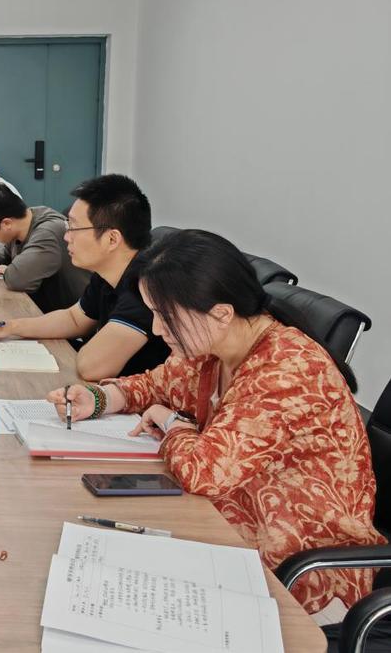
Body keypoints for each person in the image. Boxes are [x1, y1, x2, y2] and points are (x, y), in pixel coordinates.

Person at [44, 229, 383, 616]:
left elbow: (204, 471)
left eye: (165, 317)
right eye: (153, 314)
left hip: (299, 573)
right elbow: (154, 384)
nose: (156, 330)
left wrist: (173, 424)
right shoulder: (213, 347)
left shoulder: (288, 369)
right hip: (224, 533)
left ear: (222, 313)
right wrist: (100, 398)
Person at [0, 174, 169, 380]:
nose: (66, 236)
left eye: (74, 227)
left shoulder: (145, 287)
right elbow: (74, 319)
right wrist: (9, 327)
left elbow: (92, 366)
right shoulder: (106, 274)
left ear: (112, 239)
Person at [0, 184, 88, 313]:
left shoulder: (47, 233)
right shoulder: (25, 220)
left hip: (74, 319)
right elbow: (5, 254)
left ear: (6, 224)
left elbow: (18, 279)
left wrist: (10, 270)